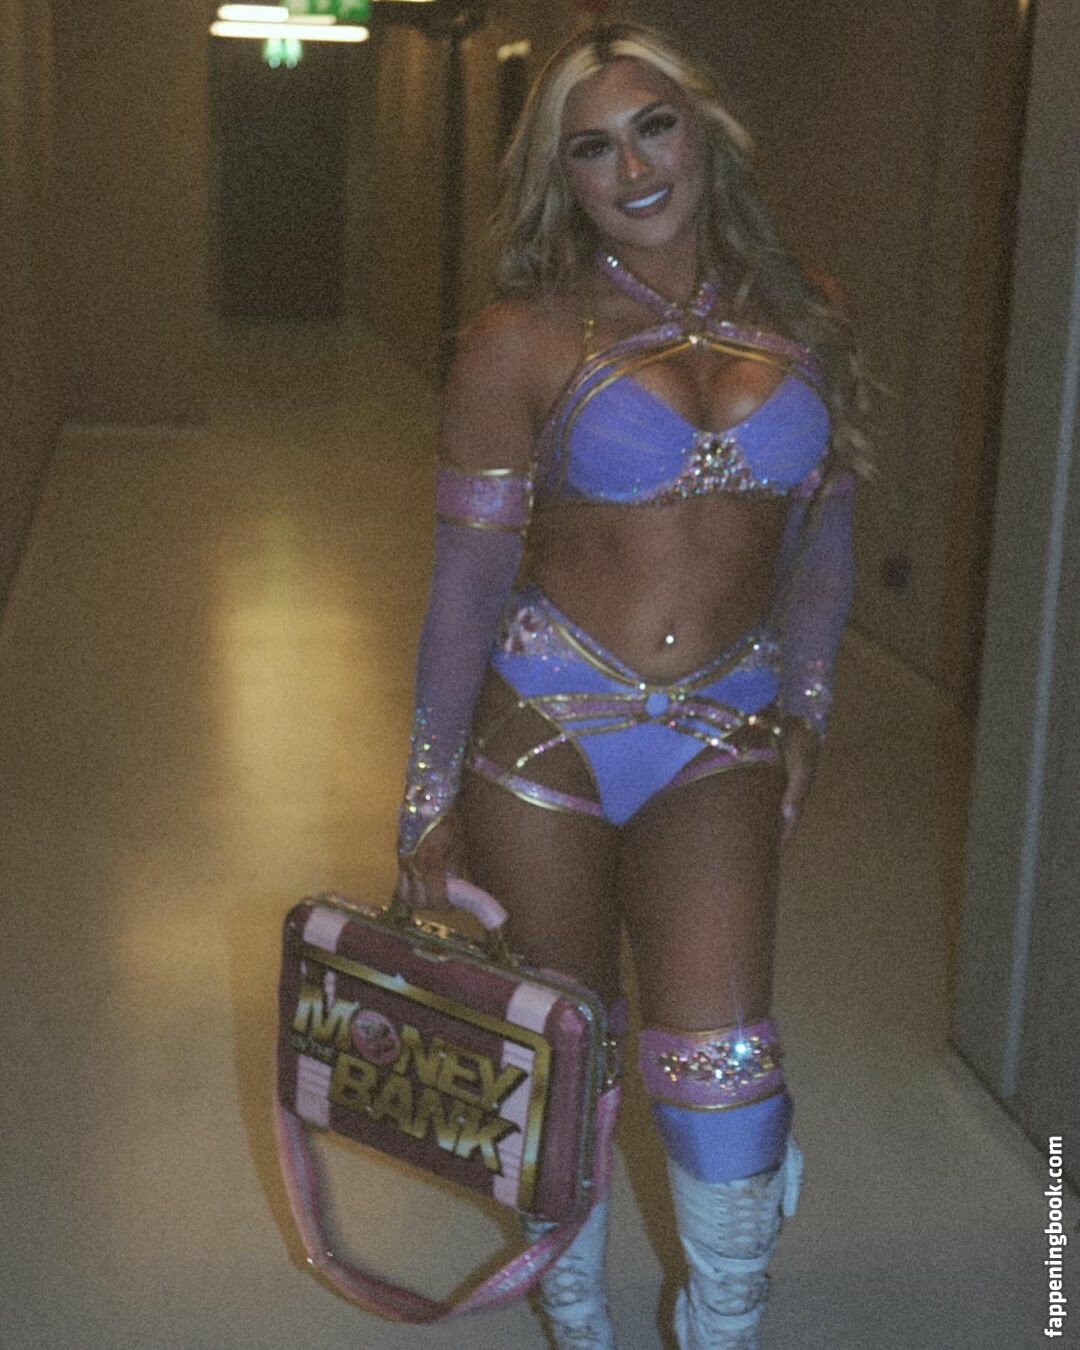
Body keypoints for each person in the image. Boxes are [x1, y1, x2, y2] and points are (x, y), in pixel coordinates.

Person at [395, 22, 868, 1350]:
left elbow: (825, 539)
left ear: (705, 126)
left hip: (722, 729)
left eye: (654, 125)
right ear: (562, 178)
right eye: (592, 148)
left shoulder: (809, 313)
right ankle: (577, 1313)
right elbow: (463, 588)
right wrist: (424, 802)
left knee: (724, 1063)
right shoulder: (519, 338)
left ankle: (724, 1324)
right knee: (565, 1043)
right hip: (543, 731)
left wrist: (810, 707)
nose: (635, 168)